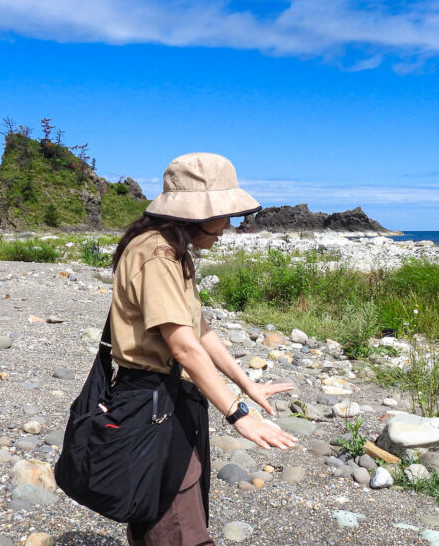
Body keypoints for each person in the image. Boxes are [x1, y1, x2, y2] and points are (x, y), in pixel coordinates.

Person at [108, 152, 298, 545]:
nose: (227, 227)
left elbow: (200, 330)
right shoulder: (156, 254)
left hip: (168, 397)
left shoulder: (173, 251)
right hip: (150, 404)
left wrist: (247, 385)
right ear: (191, 214)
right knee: (175, 522)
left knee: (171, 507)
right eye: (222, 215)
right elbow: (184, 349)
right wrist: (238, 416)